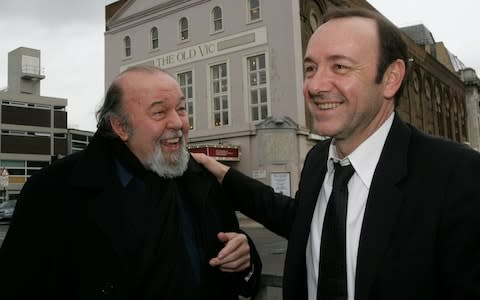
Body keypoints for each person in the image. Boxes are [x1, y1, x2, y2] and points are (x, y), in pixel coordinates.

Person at [192, 7, 480, 300]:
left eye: (339, 67)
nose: (315, 86)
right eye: (310, 68)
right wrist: (225, 175)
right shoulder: (318, 159)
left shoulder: (454, 174)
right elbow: (300, 220)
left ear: (391, 78)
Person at [0, 66, 262, 300]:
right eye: (159, 112)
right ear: (120, 127)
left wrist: (245, 258)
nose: (178, 123)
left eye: (181, 109)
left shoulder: (201, 179)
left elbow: (234, 269)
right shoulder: (53, 191)